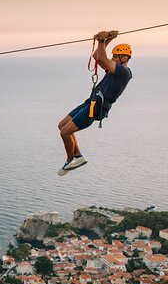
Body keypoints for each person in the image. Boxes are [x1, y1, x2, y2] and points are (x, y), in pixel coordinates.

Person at [57, 30, 133, 176]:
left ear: (125, 58)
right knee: (61, 125)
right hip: (90, 101)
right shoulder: (115, 70)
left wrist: (102, 42)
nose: (113, 59)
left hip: (97, 107)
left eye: (116, 57)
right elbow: (97, 57)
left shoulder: (124, 72)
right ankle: (77, 156)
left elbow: (103, 60)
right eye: (113, 56)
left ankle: (70, 159)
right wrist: (107, 39)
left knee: (65, 132)